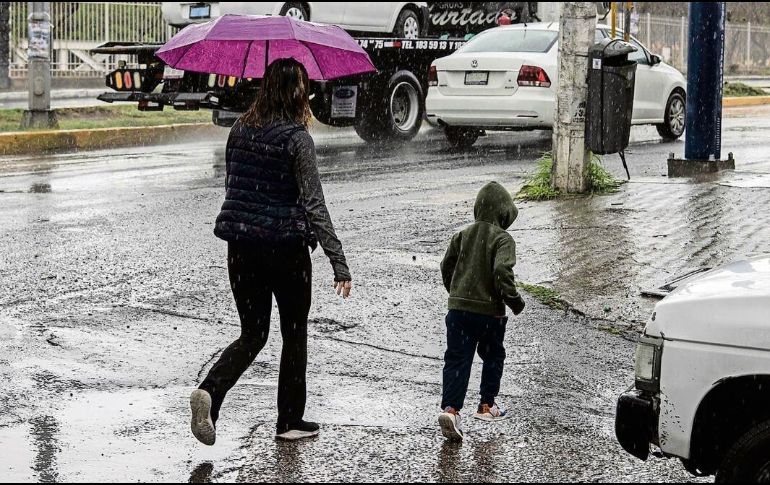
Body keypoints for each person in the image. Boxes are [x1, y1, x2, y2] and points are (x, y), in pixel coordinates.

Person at [189, 58, 352, 445]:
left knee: (253, 333)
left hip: (241, 246)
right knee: (293, 333)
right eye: (304, 87)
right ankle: (289, 421)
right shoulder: (297, 139)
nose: (308, 93)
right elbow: (314, 204)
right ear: (296, 92)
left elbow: (234, 184)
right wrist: (338, 260)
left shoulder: (240, 127)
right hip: (285, 250)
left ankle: (210, 393)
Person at [437, 181, 526, 441]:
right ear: (504, 213)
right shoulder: (503, 239)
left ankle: (451, 410)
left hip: (458, 311)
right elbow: (501, 272)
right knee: (493, 355)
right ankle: (487, 405)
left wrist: (456, 293)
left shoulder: (462, 235)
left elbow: (446, 266)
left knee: (456, 358)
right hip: (490, 314)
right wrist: (514, 301)